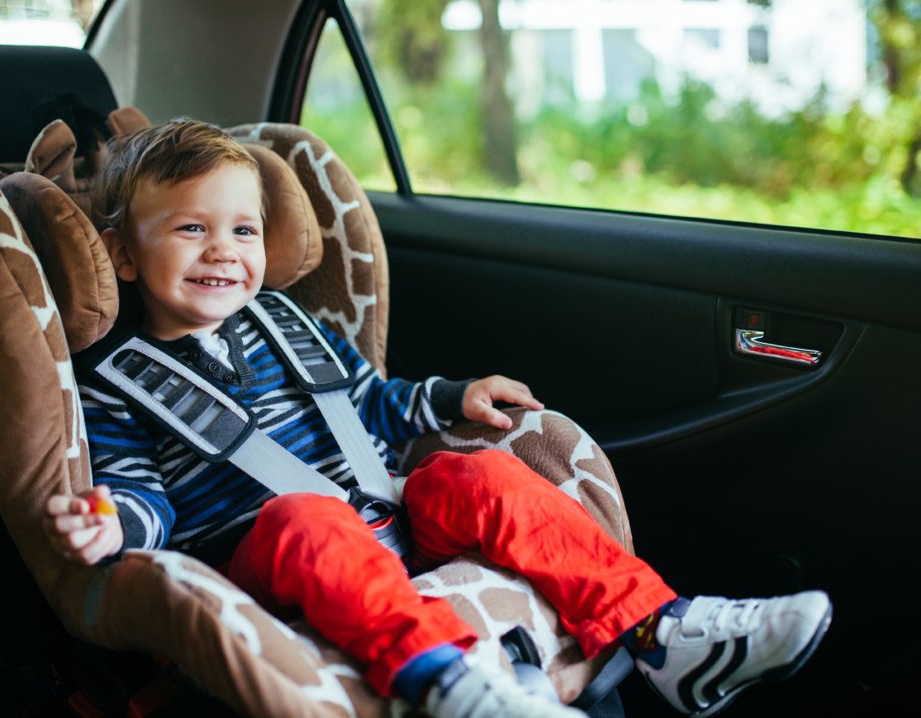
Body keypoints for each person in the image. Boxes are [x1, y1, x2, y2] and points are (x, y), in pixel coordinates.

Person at [43, 120, 832, 718]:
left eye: (242, 230)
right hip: (266, 563)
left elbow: (370, 404)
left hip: (383, 522)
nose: (224, 251)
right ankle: (449, 683)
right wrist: (112, 527)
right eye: (191, 229)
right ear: (120, 256)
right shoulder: (115, 380)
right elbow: (145, 496)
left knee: (474, 470)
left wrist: (454, 398)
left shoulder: (283, 320)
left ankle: (662, 631)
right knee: (307, 517)